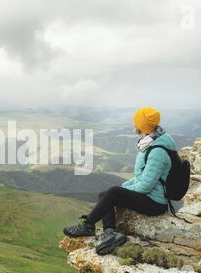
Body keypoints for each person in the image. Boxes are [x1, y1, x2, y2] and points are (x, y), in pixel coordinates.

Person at [63, 106, 176, 255]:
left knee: (113, 192)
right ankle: (110, 233)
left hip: (155, 203)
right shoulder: (151, 142)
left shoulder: (157, 151)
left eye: (136, 122)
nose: (134, 125)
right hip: (149, 196)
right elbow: (141, 177)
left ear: (141, 125)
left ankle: (88, 225)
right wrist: (123, 188)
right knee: (106, 194)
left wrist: (120, 192)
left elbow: (145, 185)